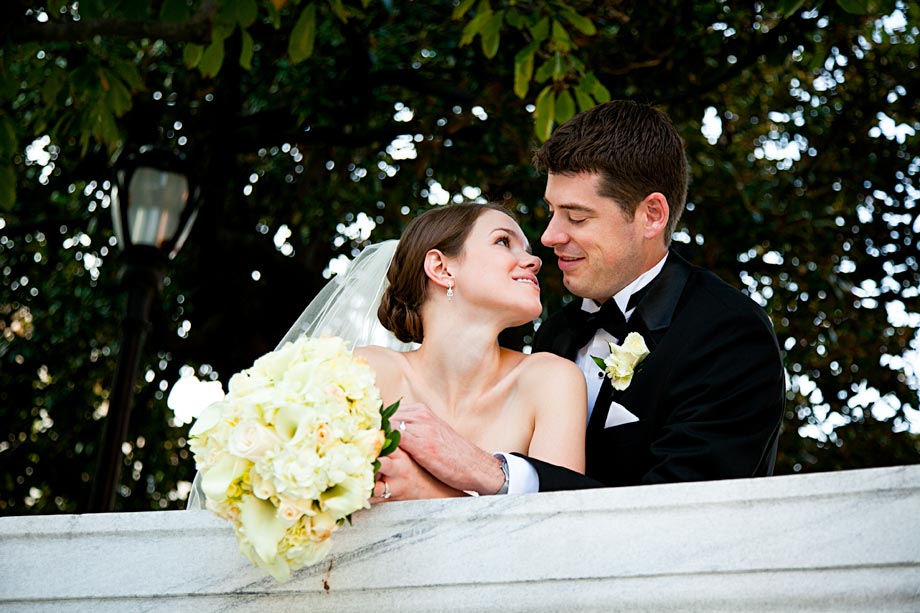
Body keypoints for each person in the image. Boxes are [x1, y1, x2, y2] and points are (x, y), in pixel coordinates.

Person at [385, 100, 786, 496]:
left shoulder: (726, 332)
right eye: (552, 211)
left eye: (577, 217)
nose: (549, 237)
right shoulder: (557, 334)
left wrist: (494, 474)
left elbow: (681, 507)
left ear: (651, 216)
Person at [351, 203, 587, 500]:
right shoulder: (366, 372)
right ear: (441, 268)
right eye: (503, 241)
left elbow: (558, 526)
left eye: (526, 248)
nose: (534, 261)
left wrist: (425, 491)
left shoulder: (551, 380)